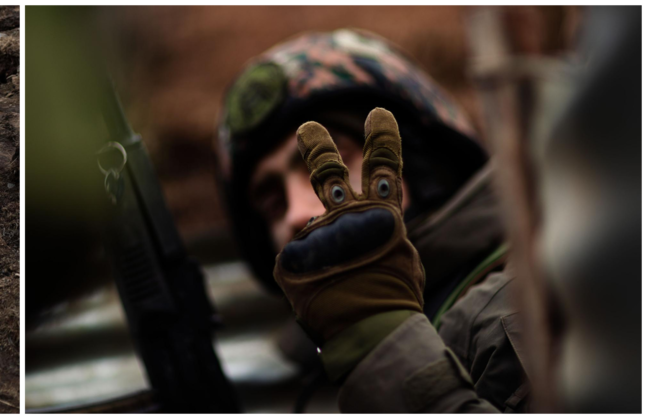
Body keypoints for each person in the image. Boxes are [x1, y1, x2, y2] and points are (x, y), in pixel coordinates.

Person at [215, 29, 528, 414]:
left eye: (333, 162)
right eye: (271, 202)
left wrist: (382, 344)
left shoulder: (519, 308)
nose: (297, 213)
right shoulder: (309, 375)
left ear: (421, 166)